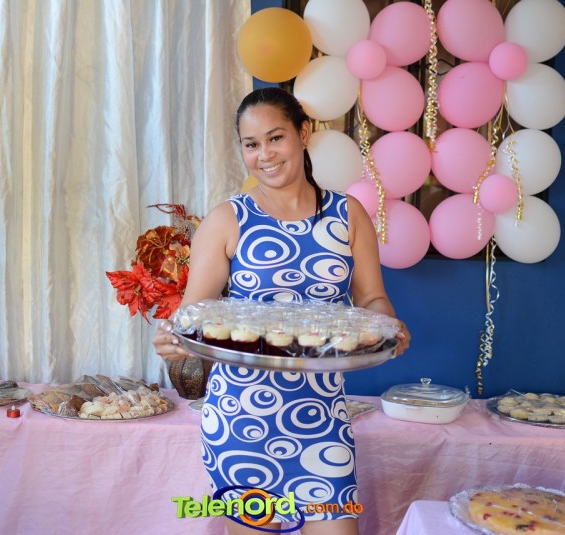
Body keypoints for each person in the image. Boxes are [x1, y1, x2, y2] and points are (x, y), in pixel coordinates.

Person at [154, 87, 409, 535]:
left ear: (303, 134)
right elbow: (192, 316)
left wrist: (389, 325)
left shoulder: (348, 215)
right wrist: (173, 340)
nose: (265, 155)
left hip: (322, 418)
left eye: (276, 138)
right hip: (241, 420)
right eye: (251, 144)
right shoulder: (227, 220)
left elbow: (372, 299)